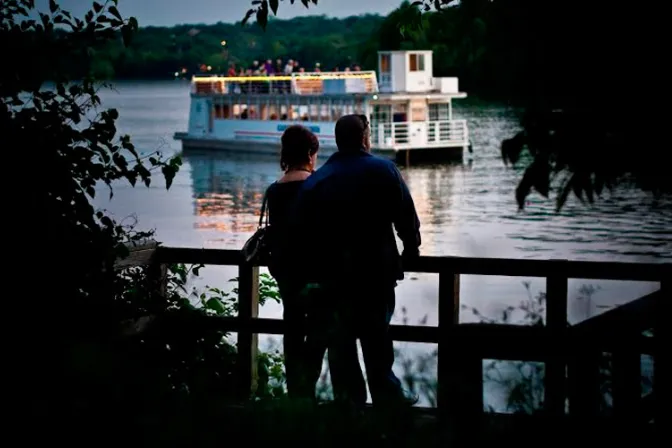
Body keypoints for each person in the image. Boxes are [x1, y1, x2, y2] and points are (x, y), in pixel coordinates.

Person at [290, 114, 421, 408]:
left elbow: (301, 233)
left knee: (342, 346)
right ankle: (388, 401)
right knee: (377, 340)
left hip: (332, 280)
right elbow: (406, 216)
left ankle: (349, 407)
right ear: (364, 137)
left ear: (337, 140)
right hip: (376, 273)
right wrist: (411, 250)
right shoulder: (384, 170)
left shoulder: (318, 180)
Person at [265, 125, 325, 400]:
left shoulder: (274, 190)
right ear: (311, 153)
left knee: (292, 327)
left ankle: (294, 392)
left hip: (285, 269)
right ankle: (308, 390)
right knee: (318, 330)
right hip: (315, 268)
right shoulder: (318, 185)